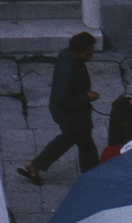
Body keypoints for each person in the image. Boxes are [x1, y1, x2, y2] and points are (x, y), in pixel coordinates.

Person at [17, 31, 99, 184]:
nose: (91, 57)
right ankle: (92, 177)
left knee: (71, 140)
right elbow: (62, 100)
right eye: (88, 55)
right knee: (82, 143)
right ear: (75, 52)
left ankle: (35, 165)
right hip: (70, 114)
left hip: (72, 113)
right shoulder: (68, 70)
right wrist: (85, 97)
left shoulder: (66, 54)